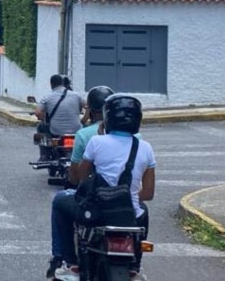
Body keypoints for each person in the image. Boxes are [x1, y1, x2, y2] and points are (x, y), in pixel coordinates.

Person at [47, 95, 155, 281]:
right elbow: (148, 193)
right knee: (142, 210)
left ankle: (70, 263)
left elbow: (81, 179)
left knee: (59, 201)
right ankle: (134, 267)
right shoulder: (146, 148)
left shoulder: (96, 142)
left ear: (108, 118)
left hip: (96, 211)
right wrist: (127, 195)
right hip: (128, 214)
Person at [34, 75, 88, 163]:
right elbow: (88, 106)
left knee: (41, 127)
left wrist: (43, 119)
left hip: (56, 132)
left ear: (51, 84)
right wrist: (84, 119)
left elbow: (38, 113)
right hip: (76, 130)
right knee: (87, 128)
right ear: (62, 83)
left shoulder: (47, 97)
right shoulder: (76, 95)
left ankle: (44, 155)